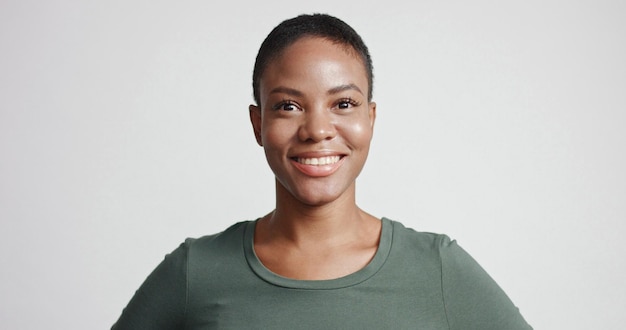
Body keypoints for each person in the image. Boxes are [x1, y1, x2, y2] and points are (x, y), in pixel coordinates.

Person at [112, 13, 532, 329]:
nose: (316, 130)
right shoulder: (196, 271)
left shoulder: (437, 269)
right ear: (258, 124)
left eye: (343, 104)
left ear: (370, 118)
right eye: (288, 106)